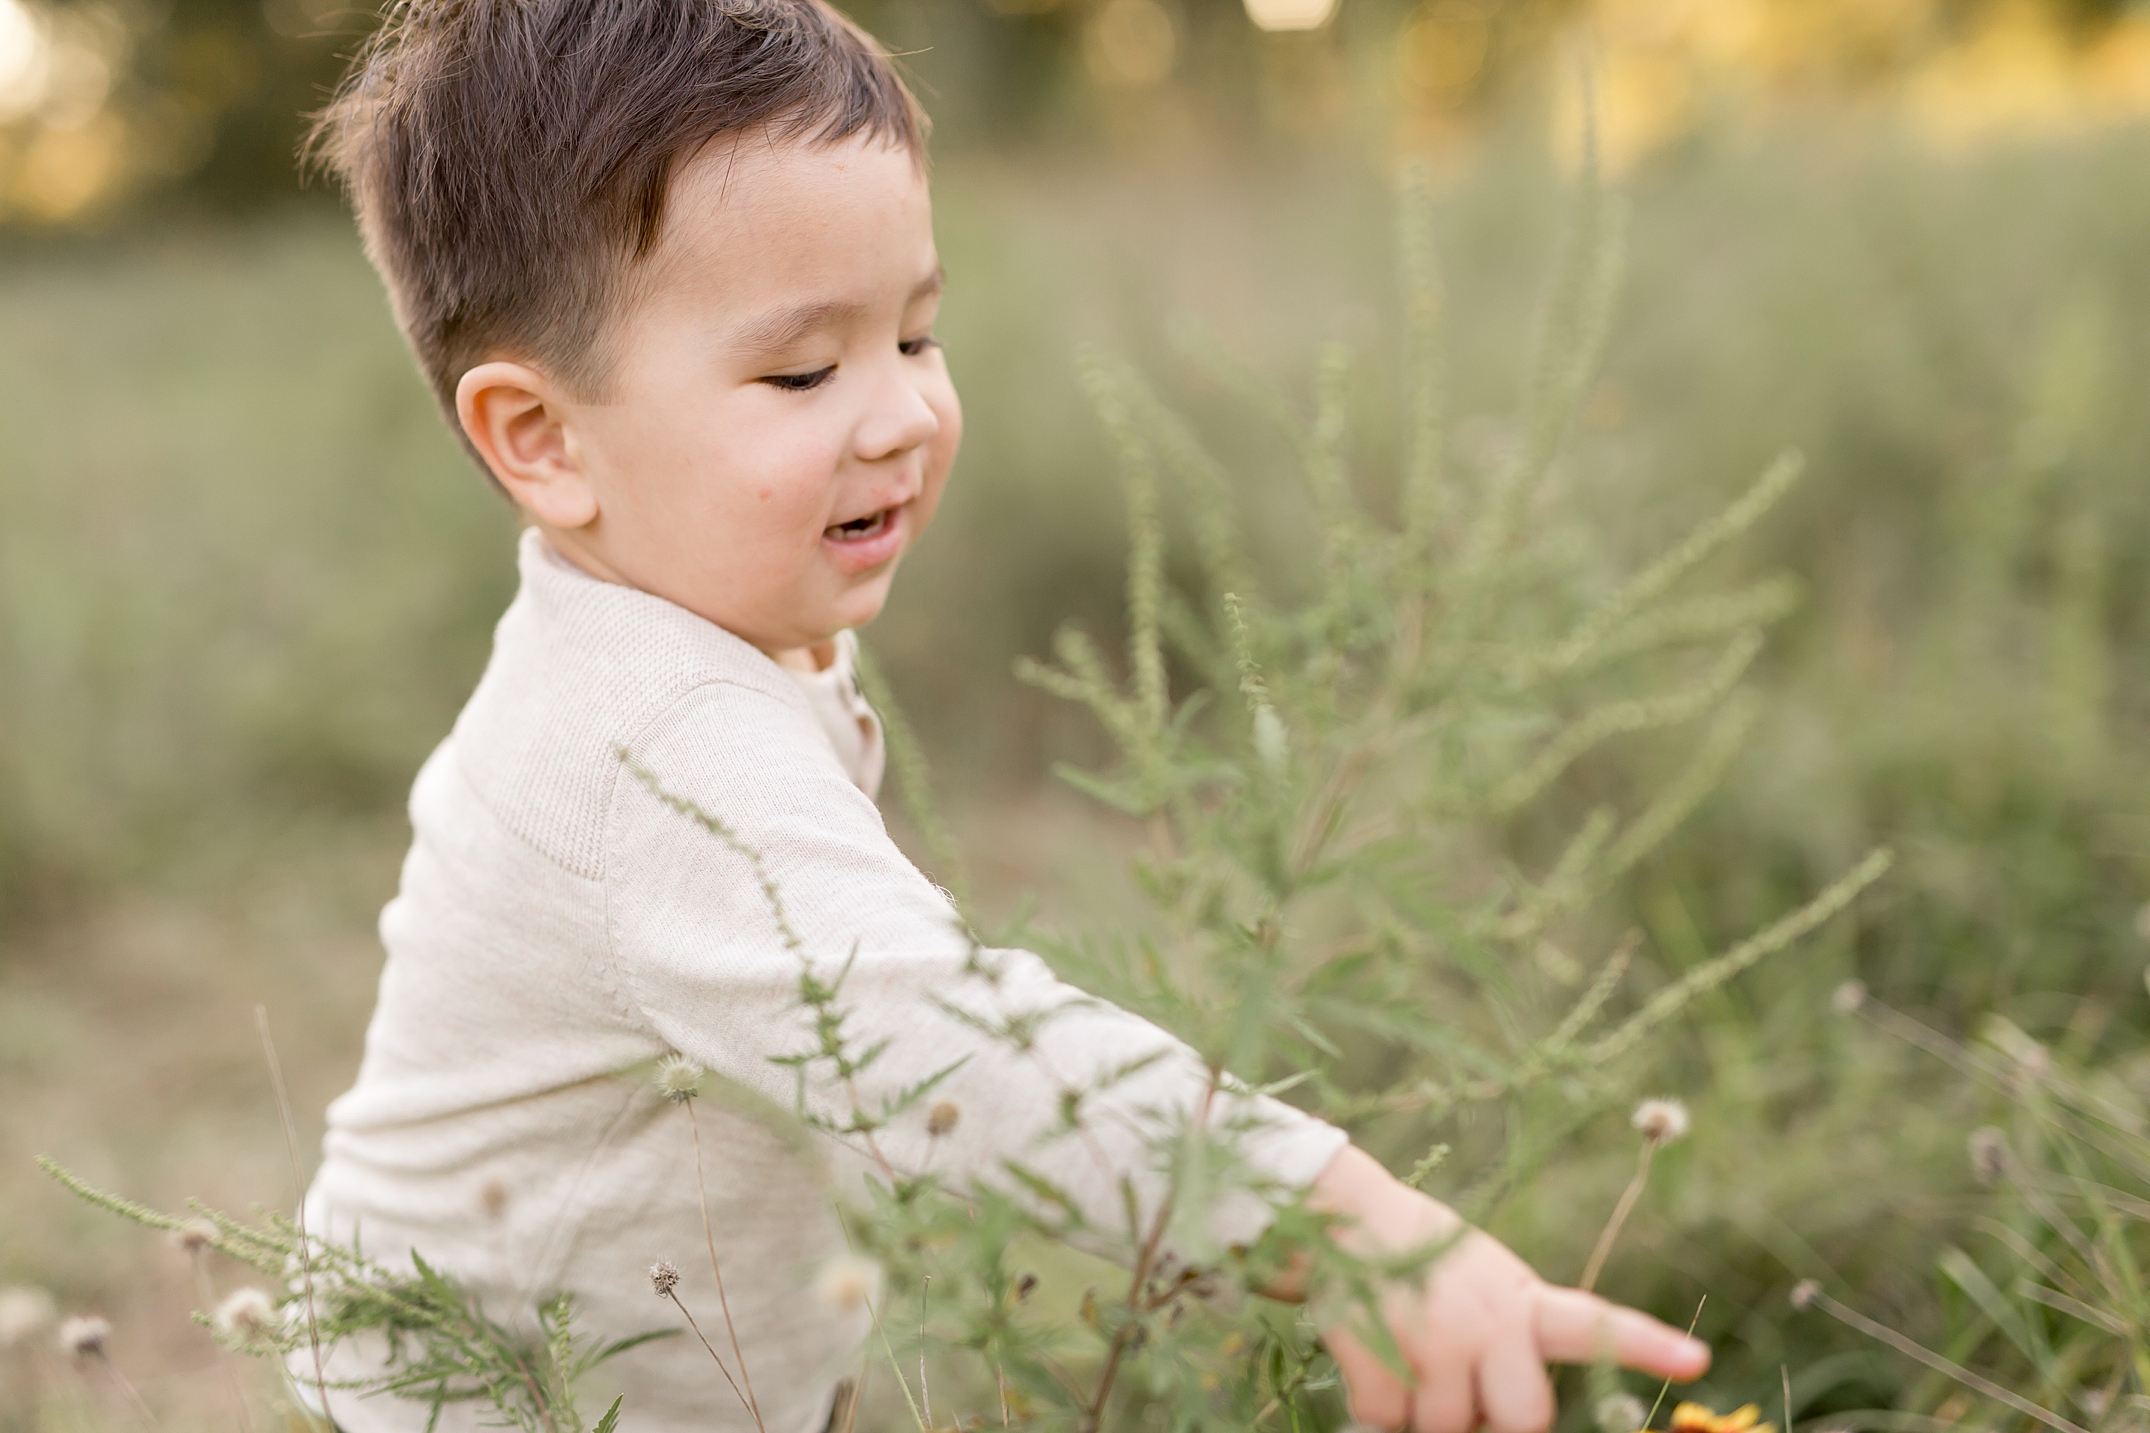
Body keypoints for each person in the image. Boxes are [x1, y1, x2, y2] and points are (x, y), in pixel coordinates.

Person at [299, 0, 1711, 1428]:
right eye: (802, 370)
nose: (903, 411)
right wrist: (1344, 1220)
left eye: (914, 333)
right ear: (542, 439)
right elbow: (945, 1051)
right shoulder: (654, 746)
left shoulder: (691, 641)